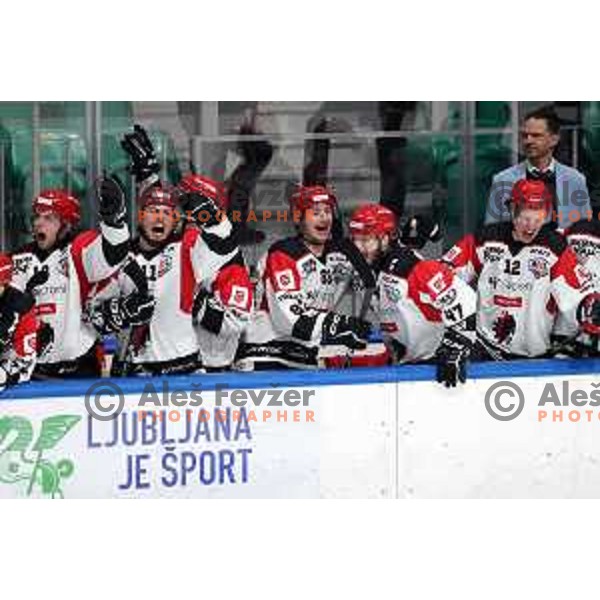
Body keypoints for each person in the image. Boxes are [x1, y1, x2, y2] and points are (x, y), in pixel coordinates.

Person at [89, 127, 242, 375]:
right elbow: (93, 315)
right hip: (132, 370)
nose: (159, 217)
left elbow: (225, 244)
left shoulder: (188, 250)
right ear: (140, 217)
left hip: (185, 369)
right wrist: (119, 312)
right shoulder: (119, 256)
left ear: (176, 221)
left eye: (167, 213)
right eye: (152, 211)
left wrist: (212, 216)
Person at [445, 179, 600, 360]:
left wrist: (590, 306)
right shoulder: (484, 239)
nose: (531, 226)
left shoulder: (556, 248)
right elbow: (445, 275)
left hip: (534, 358)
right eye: (526, 218)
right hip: (484, 351)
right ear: (512, 210)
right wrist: (455, 331)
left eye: (538, 219)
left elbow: (577, 291)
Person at [237, 184, 374, 370]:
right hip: (264, 353)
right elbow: (288, 318)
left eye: (327, 211)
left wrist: (370, 259)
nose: (324, 217)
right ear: (299, 218)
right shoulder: (283, 254)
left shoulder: (341, 255)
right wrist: (338, 325)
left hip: (305, 356)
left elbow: (373, 294)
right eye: (316, 212)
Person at [10, 180, 130, 378]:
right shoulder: (18, 259)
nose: (38, 223)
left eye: (49, 218)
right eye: (37, 217)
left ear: (66, 224)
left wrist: (114, 222)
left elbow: (113, 253)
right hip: (31, 372)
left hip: (80, 369)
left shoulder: (77, 250)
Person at [348, 203, 477, 387]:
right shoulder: (367, 270)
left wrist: (455, 348)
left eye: (366, 239)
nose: (359, 248)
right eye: (356, 239)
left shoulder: (410, 268)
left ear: (386, 238)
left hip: (437, 370)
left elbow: (467, 303)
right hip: (408, 366)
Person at [485, 105, 590, 229]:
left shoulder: (576, 179)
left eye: (536, 135)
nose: (528, 141)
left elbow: (586, 230)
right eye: (525, 135)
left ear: (554, 140)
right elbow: (490, 232)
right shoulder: (502, 180)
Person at [0, 253, 40, 389]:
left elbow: (25, 359)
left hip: (12, 365)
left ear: (4, 282)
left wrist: (5, 374)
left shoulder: (21, 305)